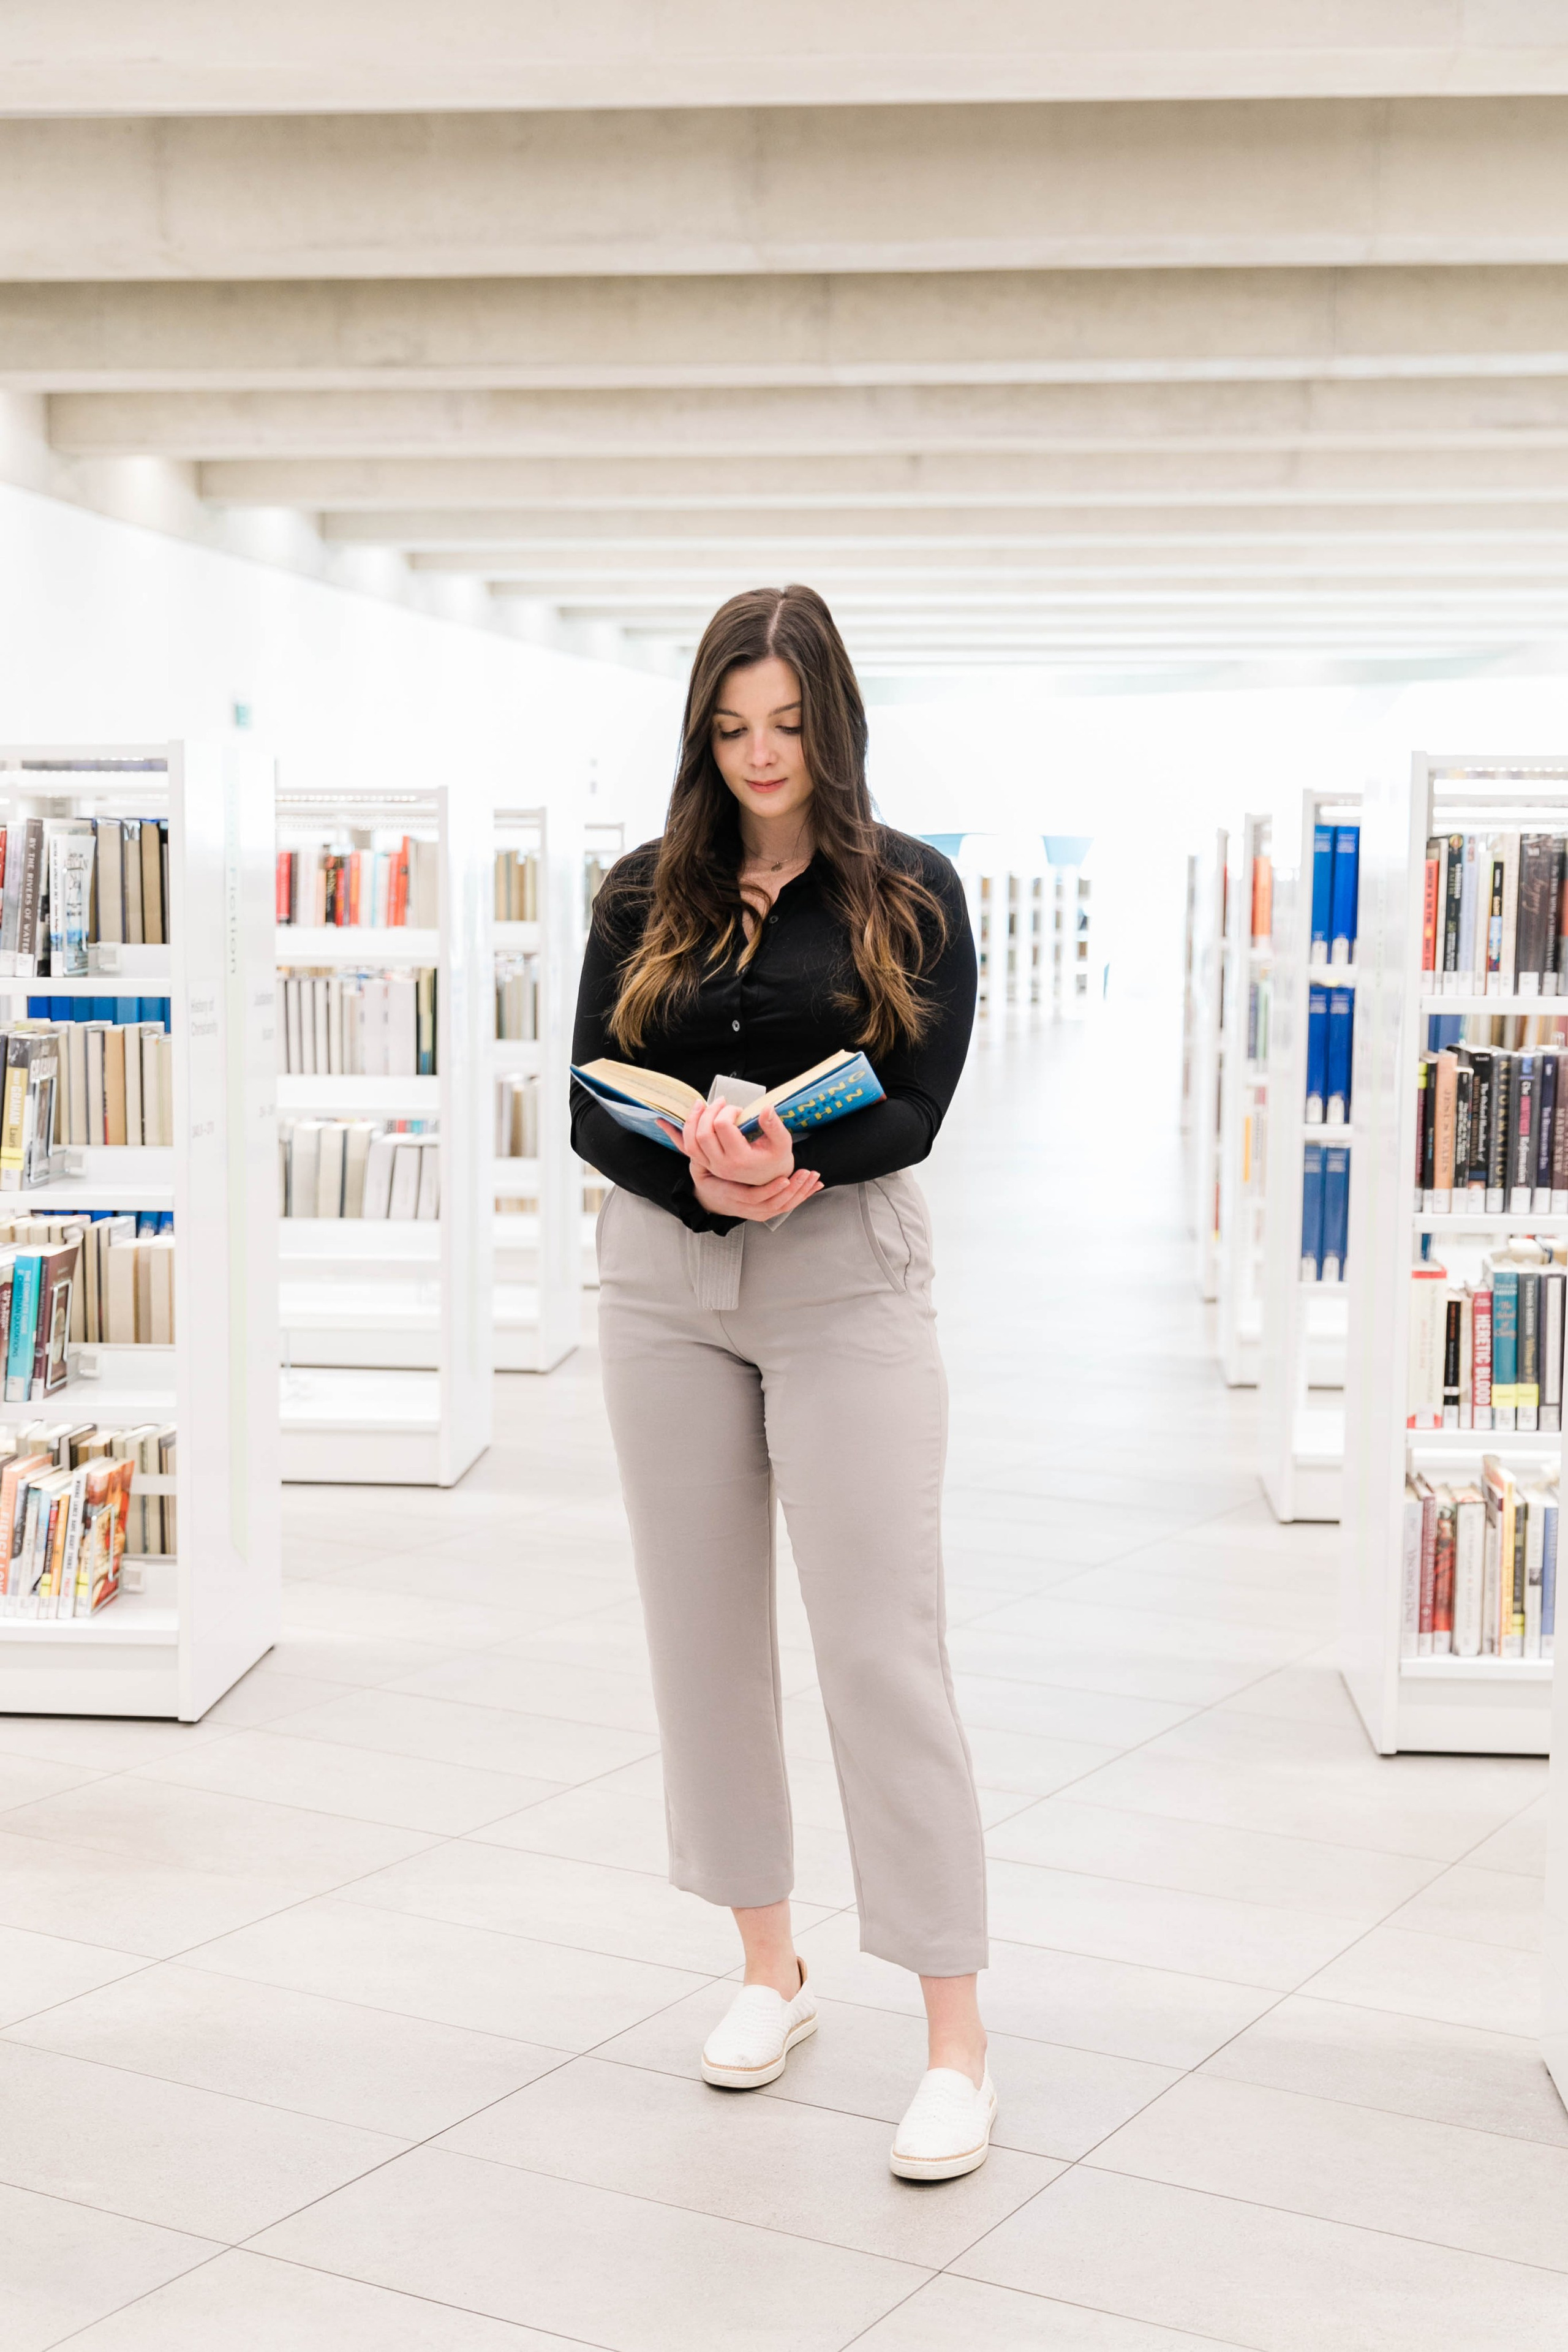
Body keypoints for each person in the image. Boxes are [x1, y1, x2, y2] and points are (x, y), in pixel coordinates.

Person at [570, 584, 992, 2181]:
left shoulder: (914, 890)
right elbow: (588, 1099)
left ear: (835, 722)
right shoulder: (638, 893)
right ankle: (770, 1970)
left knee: (884, 1648)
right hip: (660, 1286)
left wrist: (783, 1173)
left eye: (789, 728)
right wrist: (703, 1180)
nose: (761, 757)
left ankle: (955, 2040)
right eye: (733, 730)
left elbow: (920, 1099)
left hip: (844, 1279)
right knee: (703, 1642)